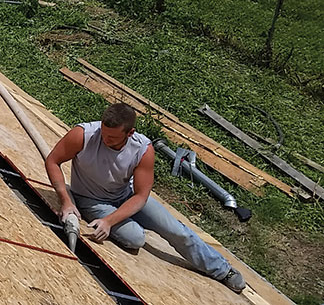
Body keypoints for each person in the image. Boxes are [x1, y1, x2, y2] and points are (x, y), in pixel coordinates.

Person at [45, 102, 247, 293]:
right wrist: (66, 200)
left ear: (130, 132)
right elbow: (53, 160)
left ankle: (222, 270)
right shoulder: (84, 134)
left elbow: (141, 196)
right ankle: (124, 223)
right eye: (104, 134)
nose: (106, 140)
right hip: (91, 199)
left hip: (127, 196)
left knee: (176, 230)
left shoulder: (143, 149)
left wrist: (108, 221)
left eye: (113, 138)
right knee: (135, 238)